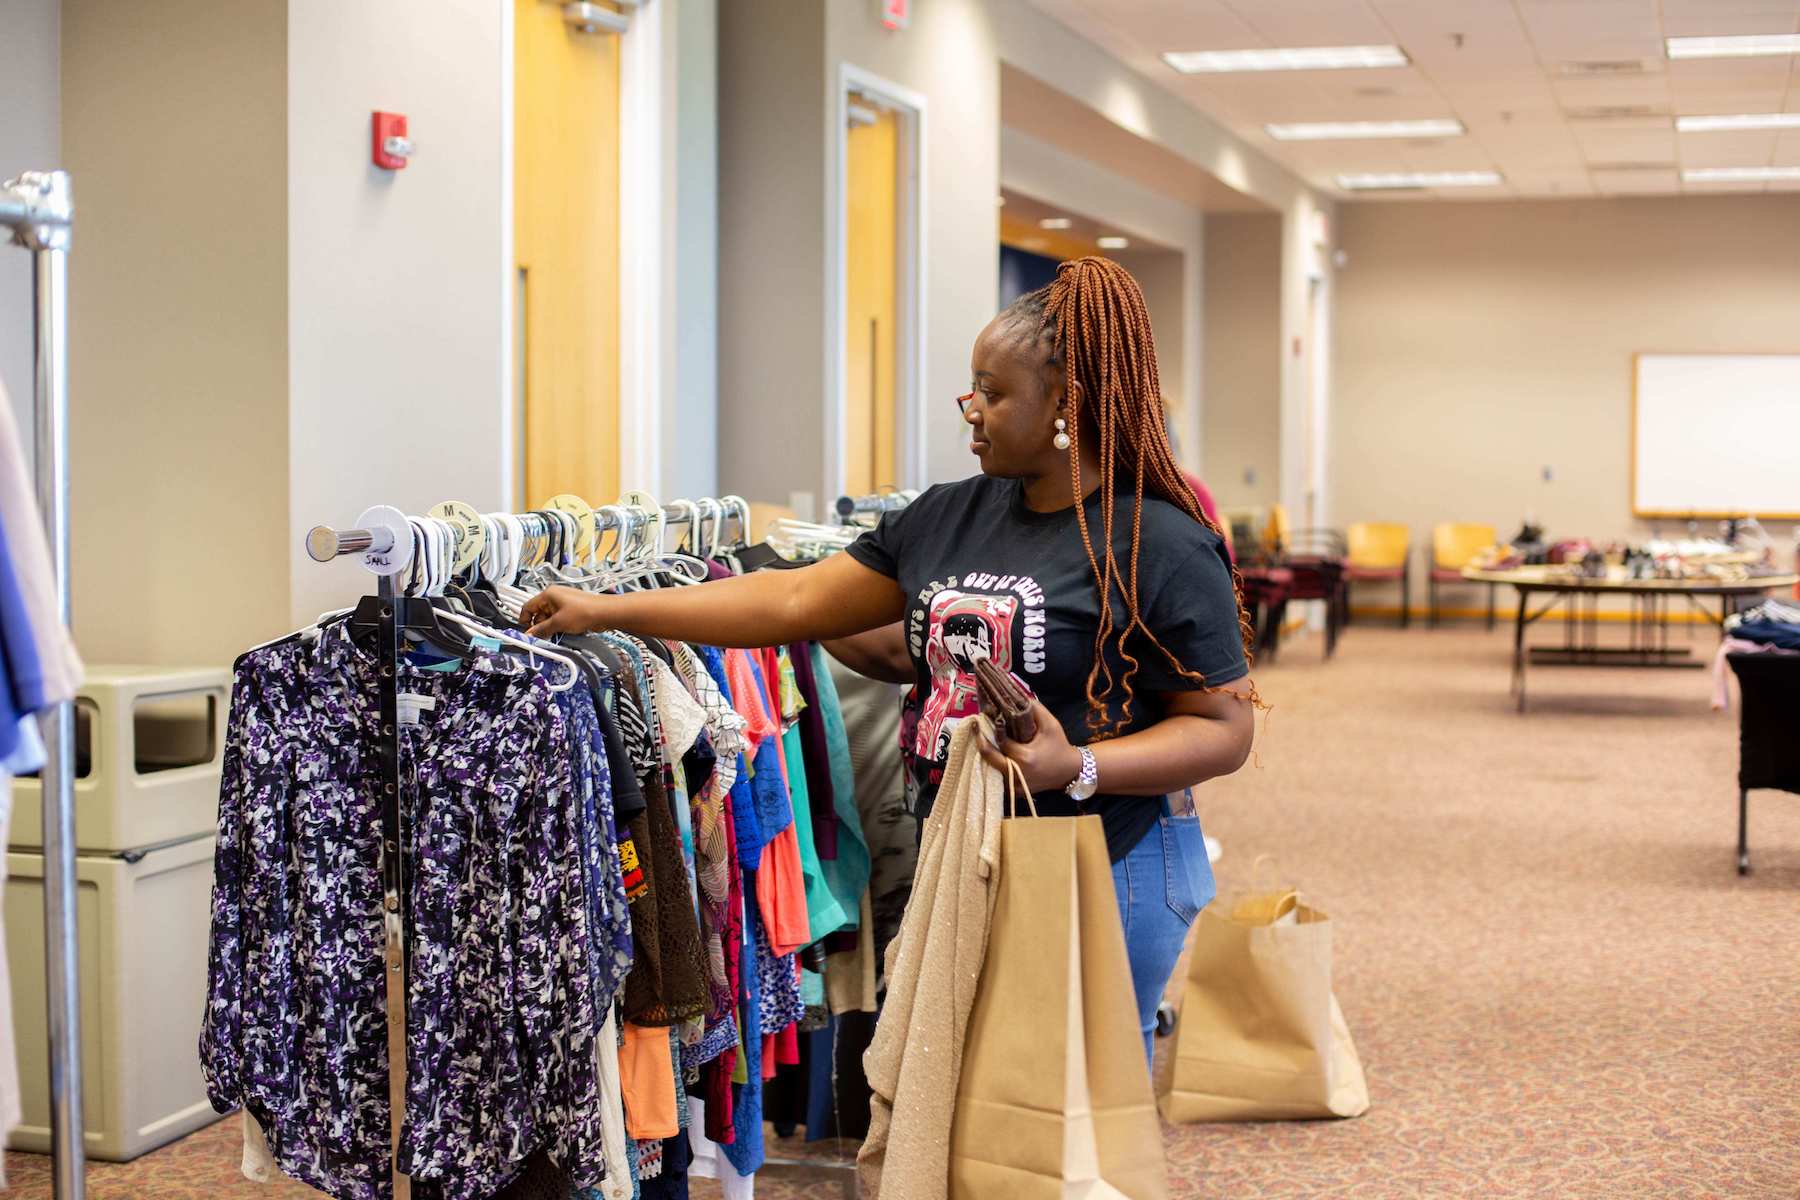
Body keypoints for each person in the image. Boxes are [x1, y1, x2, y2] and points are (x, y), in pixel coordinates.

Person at [522, 257, 1260, 1065]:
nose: (970, 411)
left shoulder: (1161, 541)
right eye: (969, 389)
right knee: (958, 1107)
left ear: (1066, 405)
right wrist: (604, 608)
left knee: (1071, 1122)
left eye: (993, 391)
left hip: (1105, 857)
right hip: (962, 853)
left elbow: (1222, 728)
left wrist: (1074, 763)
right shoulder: (948, 514)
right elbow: (795, 603)